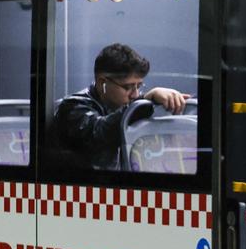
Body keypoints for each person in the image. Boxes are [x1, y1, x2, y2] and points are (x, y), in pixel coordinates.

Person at [52, 43, 189, 170]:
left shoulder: (118, 105)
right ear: (102, 83)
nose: (135, 94)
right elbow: (100, 132)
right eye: (128, 87)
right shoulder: (73, 107)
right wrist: (144, 101)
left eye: (139, 86)